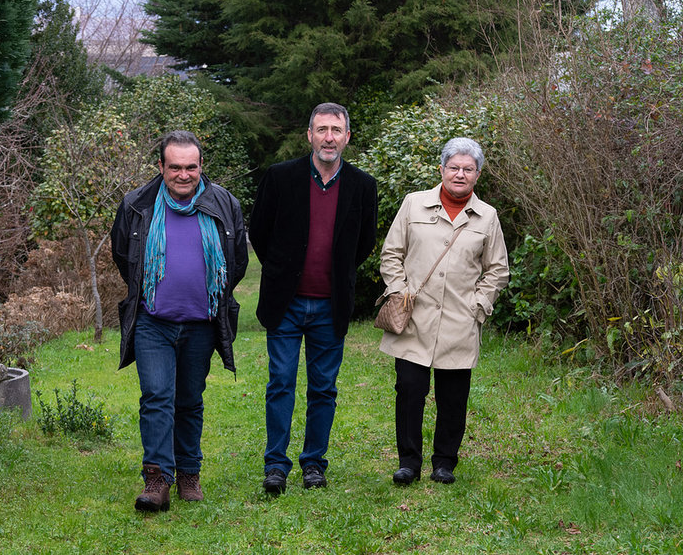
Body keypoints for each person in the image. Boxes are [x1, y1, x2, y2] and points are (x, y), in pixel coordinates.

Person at [111, 130, 248, 512]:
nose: (184, 175)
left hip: (201, 324)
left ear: (201, 166)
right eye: (175, 167)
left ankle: (189, 473)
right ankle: (157, 479)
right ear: (161, 167)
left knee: (189, 400)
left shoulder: (224, 203)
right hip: (152, 322)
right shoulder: (137, 203)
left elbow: (236, 261)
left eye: (191, 167)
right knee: (157, 396)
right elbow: (124, 255)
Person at [248, 103, 378, 493]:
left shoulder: (362, 185)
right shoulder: (280, 177)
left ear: (347, 137)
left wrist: (335, 274)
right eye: (321, 129)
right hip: (285, 303)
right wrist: (281, 269)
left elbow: (365, 243)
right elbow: (259, 232)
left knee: (323, 388)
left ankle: (314, 465)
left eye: (336, 130)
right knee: (280, 383)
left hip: (330, 304)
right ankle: (276, 465)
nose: (329, 137)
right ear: (309, 135)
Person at [378, 137, 509, 486]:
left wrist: (478, 306)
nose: (460, 174)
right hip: (414, 317)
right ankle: (408, 462)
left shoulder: (488, 217)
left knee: (453, 397)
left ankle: (444, 463)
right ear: (441, 170)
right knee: (409, 390)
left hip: (458, 320)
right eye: (454, 167)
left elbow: (498, 269)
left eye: (468, 169)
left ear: (478, 175)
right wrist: (398, 292)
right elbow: (392, 254)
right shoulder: (413, 204)